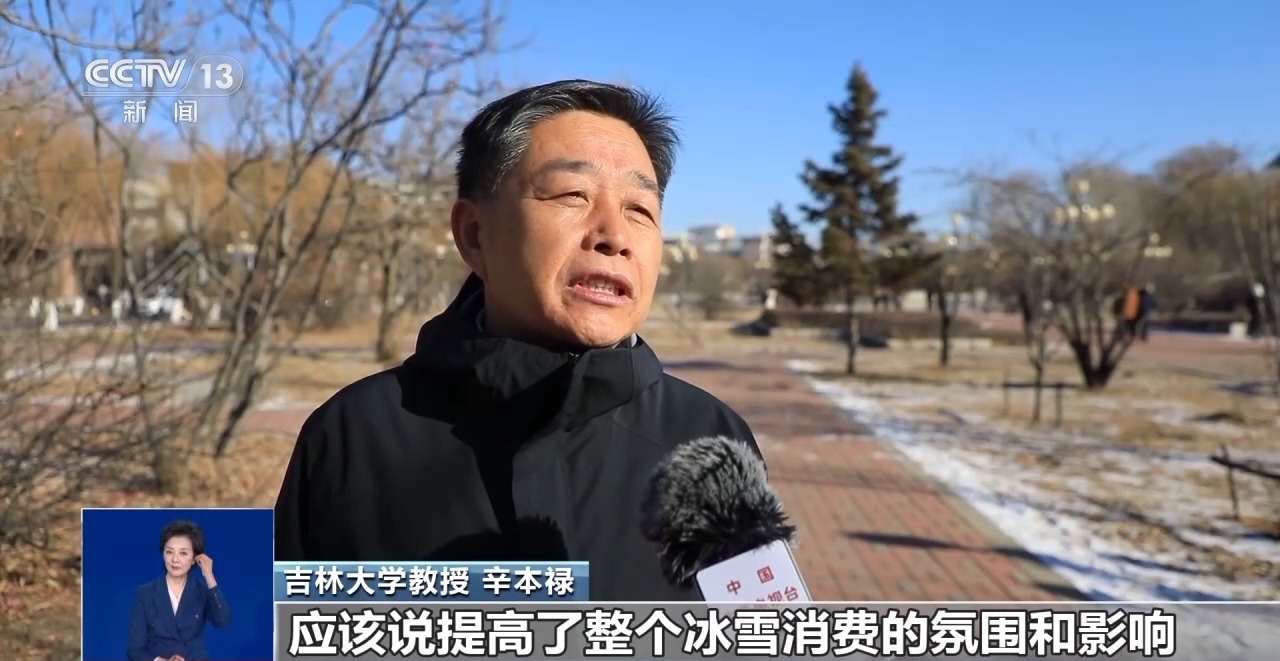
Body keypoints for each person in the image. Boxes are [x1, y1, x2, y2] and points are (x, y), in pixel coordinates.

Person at [274, 79, 763, 601]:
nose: (615, 236)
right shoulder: (354, 436)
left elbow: (764, 632)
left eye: (639, 209)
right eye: (573, 195)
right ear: (474, 234)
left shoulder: (711, 439)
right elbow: (279, 629)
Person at [127, 519, 232, 661]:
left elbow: (223, 621)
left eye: (183, 553)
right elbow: (135, 649)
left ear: (195, 558)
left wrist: (209, 576)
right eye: (169, 552)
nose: (175, 559)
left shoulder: (202, 590)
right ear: (163, 554)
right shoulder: (145, 593)